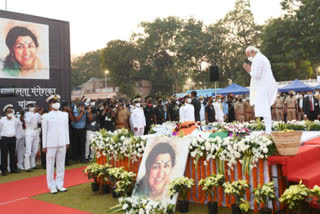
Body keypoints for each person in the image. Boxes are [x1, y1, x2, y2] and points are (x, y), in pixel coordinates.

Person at [243, 46, 278, 134]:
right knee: (265, 109)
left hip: (263, 87)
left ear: (252, 52)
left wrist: (249, 70)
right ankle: (268, 130)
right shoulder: (259, 58)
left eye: (248, 55)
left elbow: (257, 75)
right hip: (263, 86)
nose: (248, 57)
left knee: (265, 109)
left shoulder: (259, 59)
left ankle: (268, 131)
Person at [42, 95, 69, 194]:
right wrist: (44, 145)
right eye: (54, 102)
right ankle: (51, 186)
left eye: (57, 101)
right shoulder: (46, 116)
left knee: (61, 164)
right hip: (50, 144)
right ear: (50, 105)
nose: (56, 103)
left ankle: (59, 184)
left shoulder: (64, 115)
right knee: (50, 165)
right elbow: (44, 132)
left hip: (62, 142)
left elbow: (66, 129)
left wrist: (67, 141)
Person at [0, 104, 21, 176]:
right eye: (9, 112)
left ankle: (13, 169)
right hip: (4, 139)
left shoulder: (15, 120)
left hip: (13, 138)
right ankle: (4, 170)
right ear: (6, 113)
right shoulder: (2, 120)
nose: (11, 113)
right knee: (4, 155)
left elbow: (18, 125)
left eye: (11, 111)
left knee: (13, 154)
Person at [23, 103, 41, 172]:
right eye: (31, 106)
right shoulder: (26, 114)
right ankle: (27, 167)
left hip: (36, 132)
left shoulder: (36, 114)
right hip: (29, 132)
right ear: (28, 107)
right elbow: (28, 121)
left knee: (35, 149)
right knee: (28, 150)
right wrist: (33, 113)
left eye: (33, 106)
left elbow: (40, 121)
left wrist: (38, 114)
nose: (33, 108)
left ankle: (33, 165)